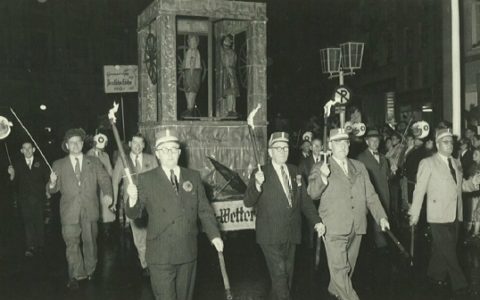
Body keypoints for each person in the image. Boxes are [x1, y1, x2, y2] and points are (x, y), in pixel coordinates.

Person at [126, 129, 223, 300]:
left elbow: (204, 210)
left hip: (187, 251)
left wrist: (214, 236)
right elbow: (135, 214)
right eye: (164, 150)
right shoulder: (146, 179)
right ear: (157, 154)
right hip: (160, 253)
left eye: (173, 149)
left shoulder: (193, 177)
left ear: (179, 153)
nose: (169, 153)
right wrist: (132, 199)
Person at [307, 128, 390, 300]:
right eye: (338, 142)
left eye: (345, 142)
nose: (342, 146)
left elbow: (371, 195)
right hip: (334, 227)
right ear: (330, 146)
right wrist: (322, 177)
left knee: (347, 269)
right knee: (341, 269)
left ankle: (334, 290)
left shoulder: (359, 167)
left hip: (357, 226)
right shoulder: (321, 166)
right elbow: (312, 193)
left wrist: (381, 217)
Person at [244, 131, 324, 300]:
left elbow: (304, 201)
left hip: (291, 234)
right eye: (278, 148)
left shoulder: (295, 172)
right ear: (270, 152)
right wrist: (257, 184)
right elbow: (248, 201)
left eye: (285, 147)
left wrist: (317, 221)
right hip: (270, 236)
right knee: (280, 277)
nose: (282, 151)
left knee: (284, 279)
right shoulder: (260, 173)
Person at [409, 128, 480, 298]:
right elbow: (419, 190)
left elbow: (460, 186)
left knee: (443, 250)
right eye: (445, 142)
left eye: (451, 142)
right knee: (449, 251)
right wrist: (415, 214)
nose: (450, 145)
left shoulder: (455, 162)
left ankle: (435, 275)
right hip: (437, 215)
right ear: (437, 144)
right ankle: (461, 285)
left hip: (456, 213)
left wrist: (474, 183)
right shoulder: (428, 163)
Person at [47, 128, 113, 290]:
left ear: (83, 144)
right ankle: (77, 274)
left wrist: (108, 194)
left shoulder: (94, 162)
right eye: (72, 143)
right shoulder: (58, 164)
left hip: (89, 209)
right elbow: (51, 190)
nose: (75, 145)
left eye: (78, 142)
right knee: (72, 244)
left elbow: (105, 180)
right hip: (69, 212)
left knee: (90, 242)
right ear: (67, 145)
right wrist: (53, 182)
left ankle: (90, 270)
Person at [112, 133, 158, 276]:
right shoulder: (123, 160)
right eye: (135, 143)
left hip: (151, 203)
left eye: (140, 143)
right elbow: (114, 182)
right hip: (133, 204)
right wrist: (114, 201)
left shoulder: (151, 159)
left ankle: (154, 260)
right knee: (139, 235)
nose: (137, 146)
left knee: (153, 234)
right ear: (130, 144)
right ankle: (145, 264)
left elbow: (159, 180)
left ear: (144, 145)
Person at [7, 141, 50, 257]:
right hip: (24, 199)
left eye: (29, 148)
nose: (27, 150)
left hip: (39, 198)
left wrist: (49, 186)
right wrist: (11, 175)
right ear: (21, 151)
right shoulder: (17, 164)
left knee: (39, 222)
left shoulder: (40, 162)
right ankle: (30, 246)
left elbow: (47, 178)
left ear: (34, 149)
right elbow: (13, 184)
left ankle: (40, 245)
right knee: (28, 222)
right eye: (24, 148)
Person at [357, 129, 394, 249]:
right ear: (367, 142)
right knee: (372, 228)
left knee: (382, 223)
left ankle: (382, 249)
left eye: (376, 140)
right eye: (371, 141)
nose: (374, 143)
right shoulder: (361, 158)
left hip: (384, 195)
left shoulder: (384, 158)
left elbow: (388, 177)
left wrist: (393, 172)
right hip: (370, 196)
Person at [86, 133, 115, 238]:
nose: (99, 149)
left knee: (106, 209)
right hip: (93, 187)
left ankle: (106, 232)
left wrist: (112, 183)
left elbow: (110, 171)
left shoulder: (105, 155)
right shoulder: (88, 155)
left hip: (105, 187)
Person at [219, 34, 240, 117]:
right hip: (228, 72)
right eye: (226, 40)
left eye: (229, 40)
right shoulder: (224, 51)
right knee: (230, 92)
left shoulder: (231, 51)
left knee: (233, 92)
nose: (228, 41)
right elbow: (226, 62)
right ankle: (230, 110)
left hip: (232, 71)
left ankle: (233, 109)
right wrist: (229, 72)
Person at [181, 34, 202, 118]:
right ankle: (189, 108)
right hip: (187, 72)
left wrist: (191, 73)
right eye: (190, 41)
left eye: (194, 41)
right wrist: (184, 72)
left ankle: (190, 109)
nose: (191, 43)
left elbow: (192, 62)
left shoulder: (195, 51)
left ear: (196, 42)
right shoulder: (188, 51)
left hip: (192, 72)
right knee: (187, 90)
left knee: (191, 90)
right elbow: (184, 61)